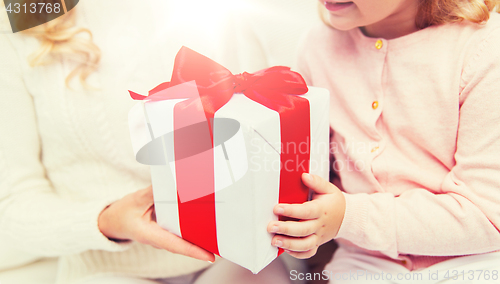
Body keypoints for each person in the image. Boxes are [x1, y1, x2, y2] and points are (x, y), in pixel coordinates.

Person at [0, 1, 291, 283]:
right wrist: (107, 220)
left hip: (231, 255)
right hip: (107, 270)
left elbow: (261, 122)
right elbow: (13, 206)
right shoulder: (21, 18)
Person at [267, 0, 500, 283]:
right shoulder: (318, 46)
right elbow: (300, 166)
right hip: (362, 262)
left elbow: (490, 216)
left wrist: (349, 217)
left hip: (478, 260)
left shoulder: (484, 49)